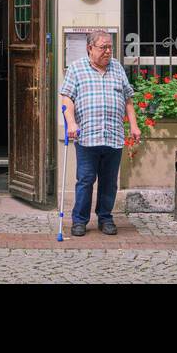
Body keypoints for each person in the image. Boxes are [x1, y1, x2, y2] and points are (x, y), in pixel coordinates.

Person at [59, 31, 140, 236]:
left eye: (110, 47)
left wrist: (134, 126)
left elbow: (128, 100)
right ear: (90, 48)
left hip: (113, 135)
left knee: (109, 182)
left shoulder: (117, 68)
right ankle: (79, 220)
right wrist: (71, 123)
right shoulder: (77, 69)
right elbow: (67, 99)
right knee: (85, 180)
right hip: (87, 136)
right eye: (103, 47)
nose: (108, 51)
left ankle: (105, 218)